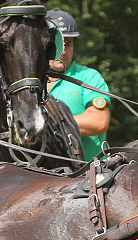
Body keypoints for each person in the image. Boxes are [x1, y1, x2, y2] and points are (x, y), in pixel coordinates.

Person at [46, 9, 111, 160]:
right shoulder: (28, 82)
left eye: (67, 44)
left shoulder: (89, 77)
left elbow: (98, 122)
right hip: (45, 175)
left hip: (91, 172)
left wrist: (45, 122)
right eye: (56, 44)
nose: (62, 51)